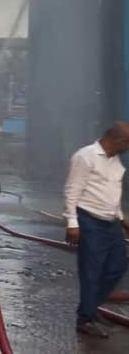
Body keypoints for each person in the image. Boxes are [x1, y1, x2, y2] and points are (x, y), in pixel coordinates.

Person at [63, 122, 129, 339]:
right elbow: (72, 190)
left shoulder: (116, 162)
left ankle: (90, 309)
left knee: (117, 266)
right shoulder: (85, 156)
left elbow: (112, 193)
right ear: (118, 140)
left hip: (111, 223)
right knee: (92, 272)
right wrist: (72, 224)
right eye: (128, 143)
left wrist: (122, 218)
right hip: (89, 221)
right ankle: (86, 318)